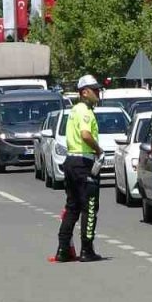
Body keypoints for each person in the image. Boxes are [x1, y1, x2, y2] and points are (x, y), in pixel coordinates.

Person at [55, 75, 106, 263]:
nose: (98, 93)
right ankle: (87, 250)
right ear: (84, 92)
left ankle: (63, 250)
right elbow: (85, 134)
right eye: (95, 90)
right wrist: (99, 150)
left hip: (71, 161)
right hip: (83, 162)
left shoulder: (74, 109)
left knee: (72, 207)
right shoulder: (85, 110)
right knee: (89, 207)